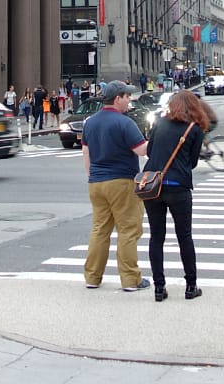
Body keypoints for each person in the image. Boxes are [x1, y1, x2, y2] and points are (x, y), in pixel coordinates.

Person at [142, 89, 212, 301]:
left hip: (153, 186)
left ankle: (158, 288)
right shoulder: (195, 129)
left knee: (156, 237)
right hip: (178, 186)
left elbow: (149, 152)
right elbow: (192, 162)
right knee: (184, 237)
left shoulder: (159, 124)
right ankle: (191, 286)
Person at [81, 80, 151, 292]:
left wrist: (92, 175)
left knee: (99, 230)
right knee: (128, 230)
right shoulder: (125, 123)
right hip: (121, 181)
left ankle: (92, 277)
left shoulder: (90, 122)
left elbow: (86, 153)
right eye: (127, 96)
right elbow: (141, 150)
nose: (129, 100)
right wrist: (155, 138)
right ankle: (131, 279)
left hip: (96, 182)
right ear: (117, 98)